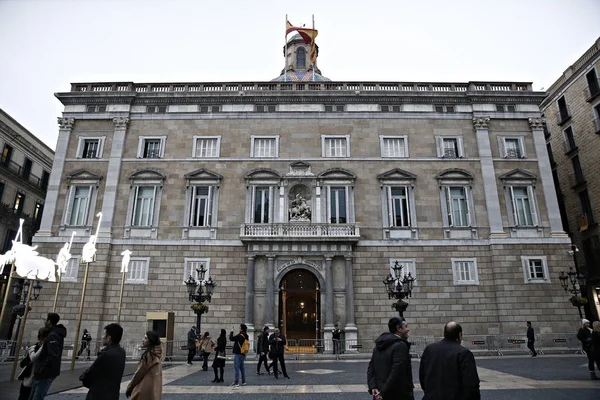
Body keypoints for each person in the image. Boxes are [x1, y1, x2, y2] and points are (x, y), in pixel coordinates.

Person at [419, 321, 480, 400]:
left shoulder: (429, 349)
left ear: (444, 333)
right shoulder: (464, 353)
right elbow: (471, 384)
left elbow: (422, 376)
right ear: (460, 335)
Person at [367, 317, 413, 400]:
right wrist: (383, 392)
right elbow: (397, 372)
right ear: (399, 328)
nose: (408, 329)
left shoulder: (379, 345)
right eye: (406, 326)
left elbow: (371, 367)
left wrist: (373, 387)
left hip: (379, 392)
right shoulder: (400, 346)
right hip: (396, 394)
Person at [79, 323, 127, 400]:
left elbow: (91, 372)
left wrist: (83, 377)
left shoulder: (106, 354)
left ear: (108, 338)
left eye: (103, 334)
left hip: (99, 394)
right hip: (113, 393)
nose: (102, 337)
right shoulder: (122, 352)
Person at [29, 312, 67, 400]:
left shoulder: (52, 335)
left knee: (37, 396)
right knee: (33, 395)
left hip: (45, 372)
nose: (44, 322)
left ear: (49, 321)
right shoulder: (53, 333)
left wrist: (41, 369)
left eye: (44, 320)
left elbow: (52, 355)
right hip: (43, 372)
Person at [126, 331, 163, 399]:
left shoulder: (149, 355)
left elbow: (139, 373)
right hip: (153, 390)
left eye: (146, 338)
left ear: (151, 341)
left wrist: (130, 387)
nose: (143, 340)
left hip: (143, 389)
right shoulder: (157, 354)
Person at [18, 328, 49, 400]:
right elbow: (26, 361)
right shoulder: (36, 347)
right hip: (30, 377)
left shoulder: (40, 347)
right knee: (25, 395)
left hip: (34, 378)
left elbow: (30, 360)